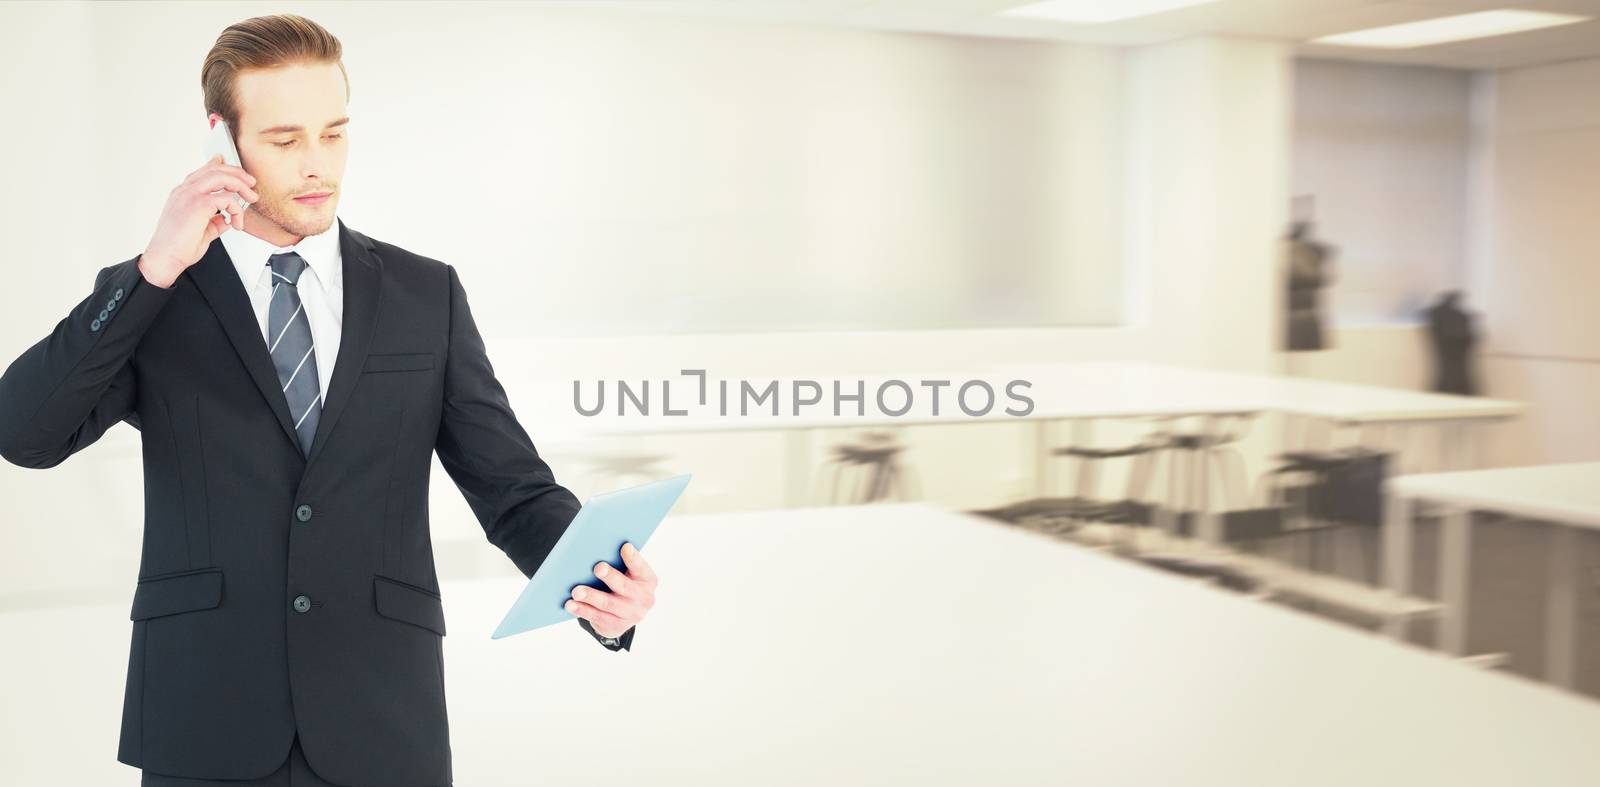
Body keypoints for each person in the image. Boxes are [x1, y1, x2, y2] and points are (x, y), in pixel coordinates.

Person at [0, 14, 656, 787]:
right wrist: (153, 269)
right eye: (283, 140)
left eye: (334, 133)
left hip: (384, 721)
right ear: (222, 139)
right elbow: (26, 430)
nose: (317, 165)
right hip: (205, 720)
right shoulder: (160, 293)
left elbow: (513, 490)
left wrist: (597, 587)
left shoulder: (424, 294)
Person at [1424, 290, 1479, 395]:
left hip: (1456, 352)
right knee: (1451, 372)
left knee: (1455, 372)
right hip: (1449, 351)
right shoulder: (1458, 316)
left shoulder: (1458, 315)